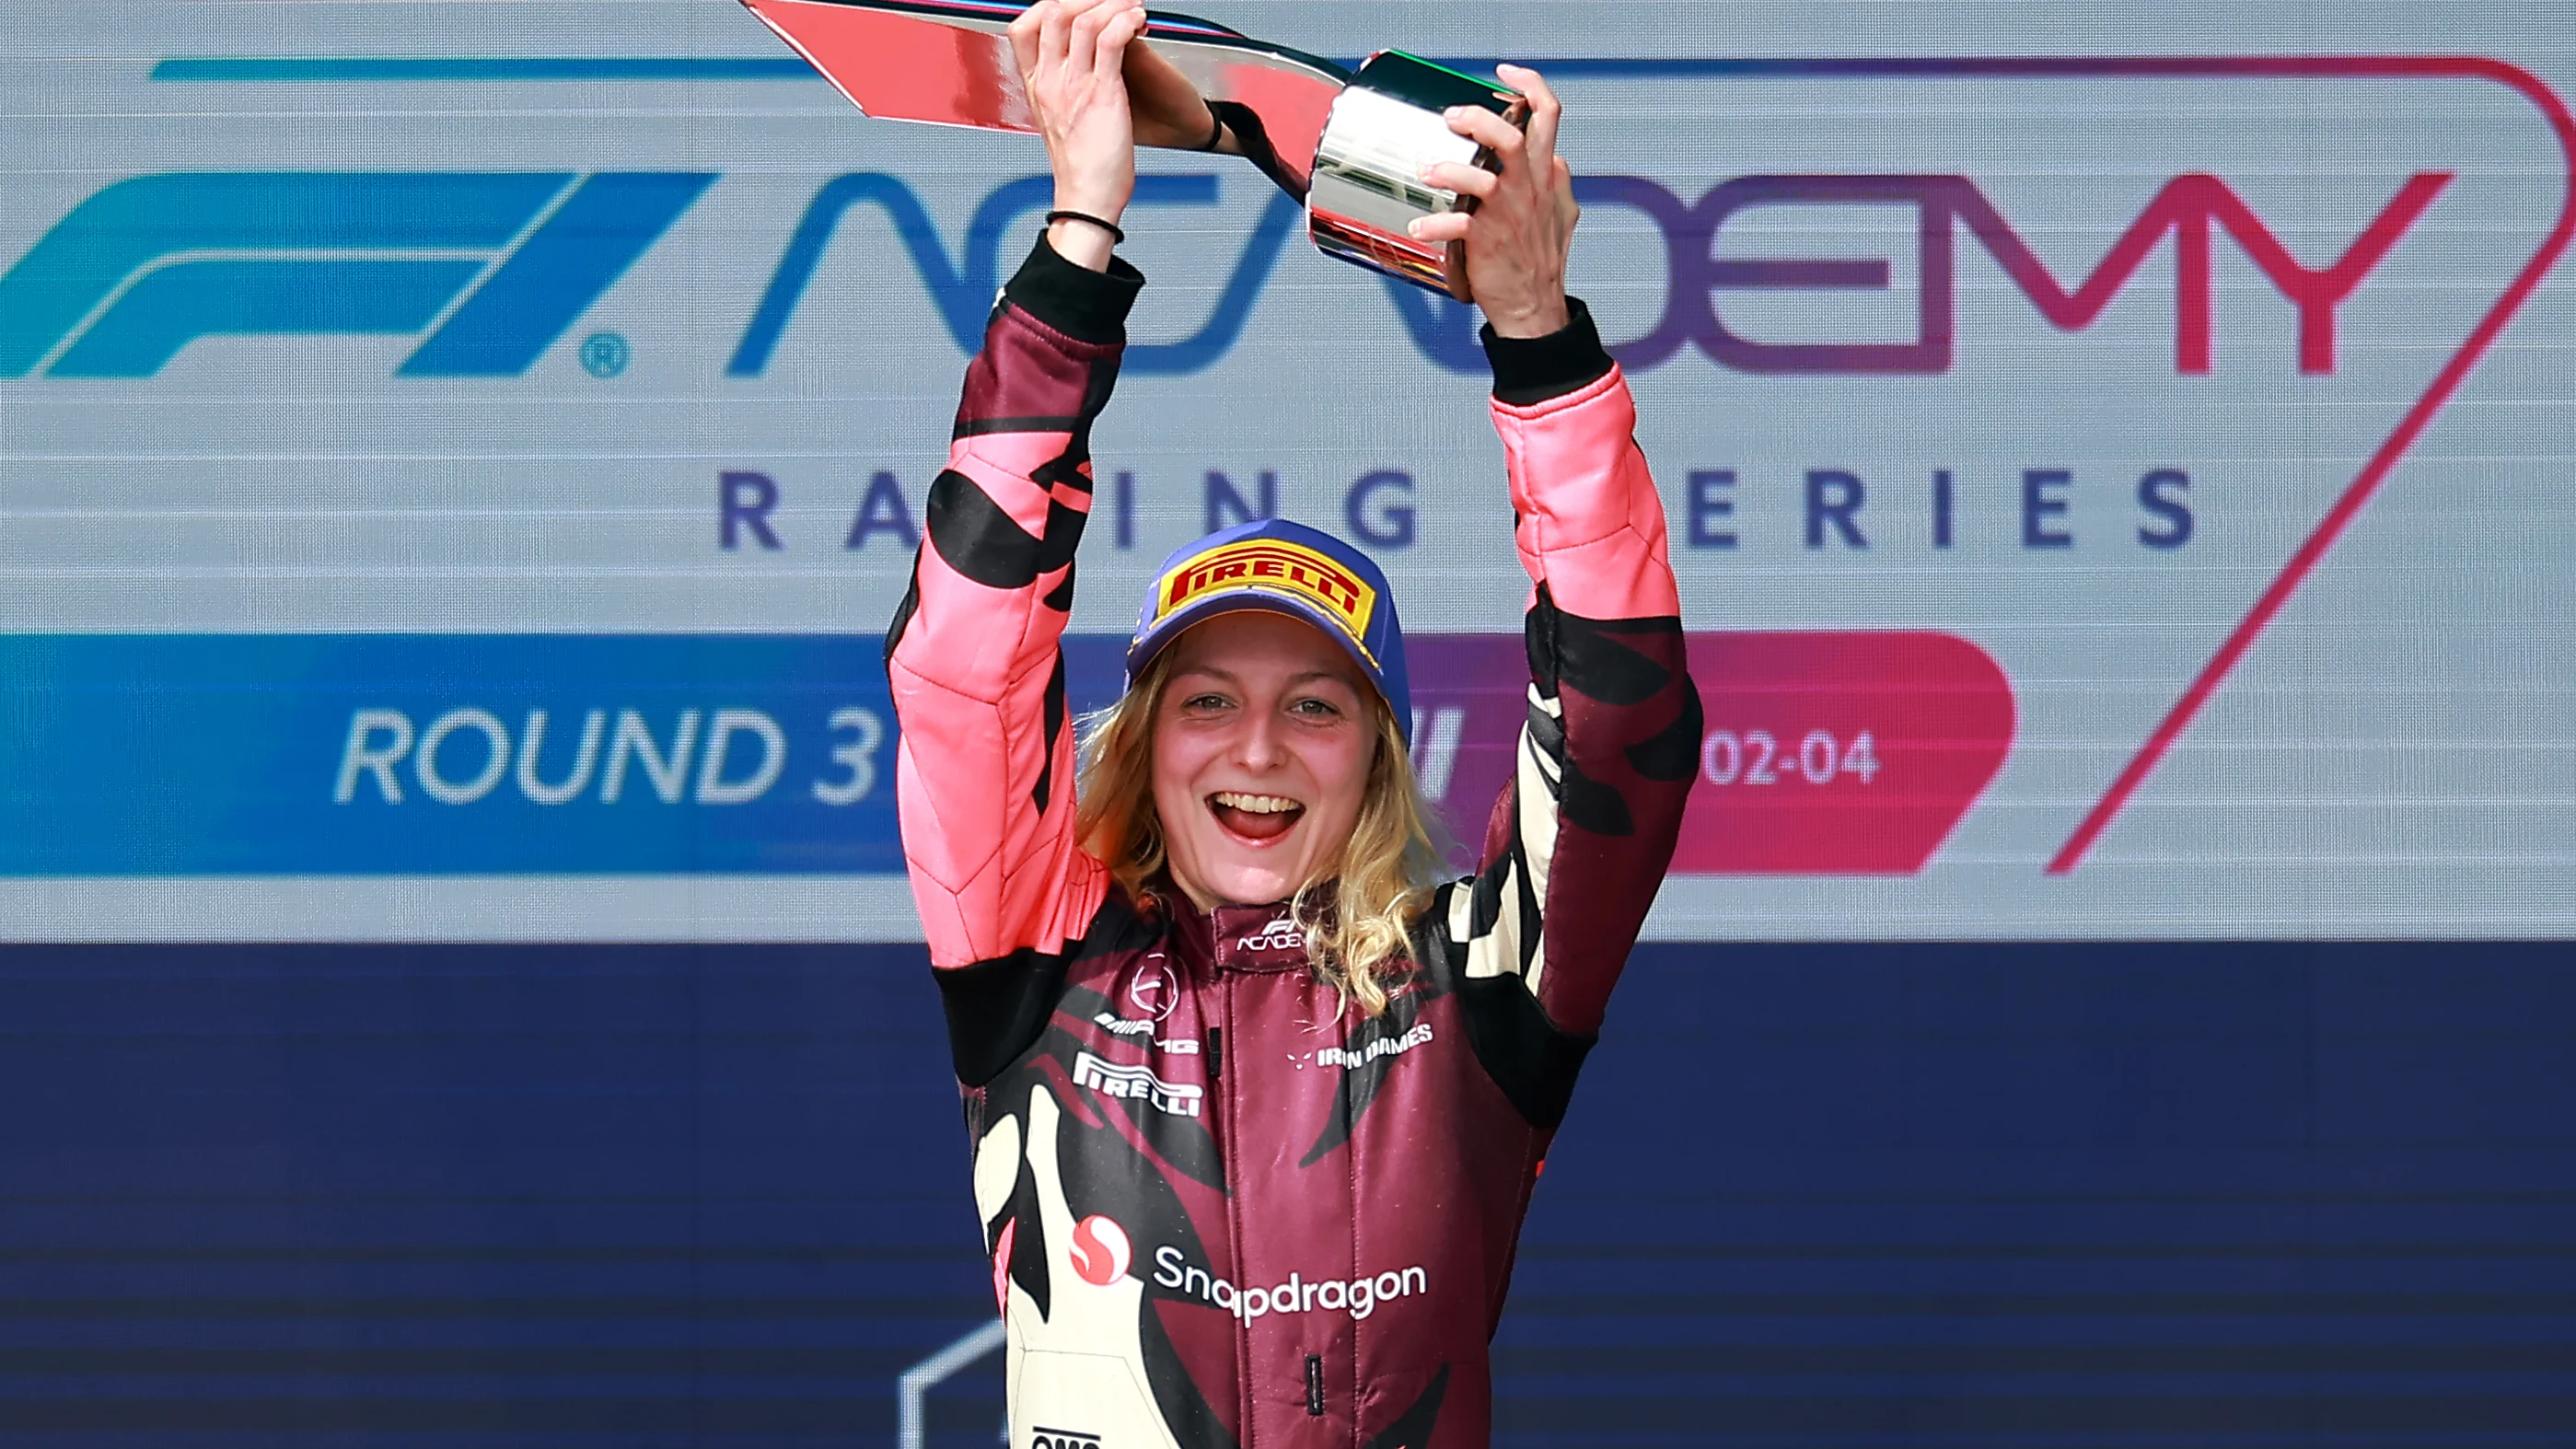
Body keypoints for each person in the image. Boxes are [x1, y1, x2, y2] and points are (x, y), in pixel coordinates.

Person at [883, 2, 1698, 1443]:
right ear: (1141, 745)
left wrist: (1534, 333)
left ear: (1376, 759)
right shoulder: (1037, 952)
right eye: (1206, 700)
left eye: (1314, 704)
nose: (1255, 747)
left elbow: (1621, 720)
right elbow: (963, 659)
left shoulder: (1478, 989)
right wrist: (1080, 232)